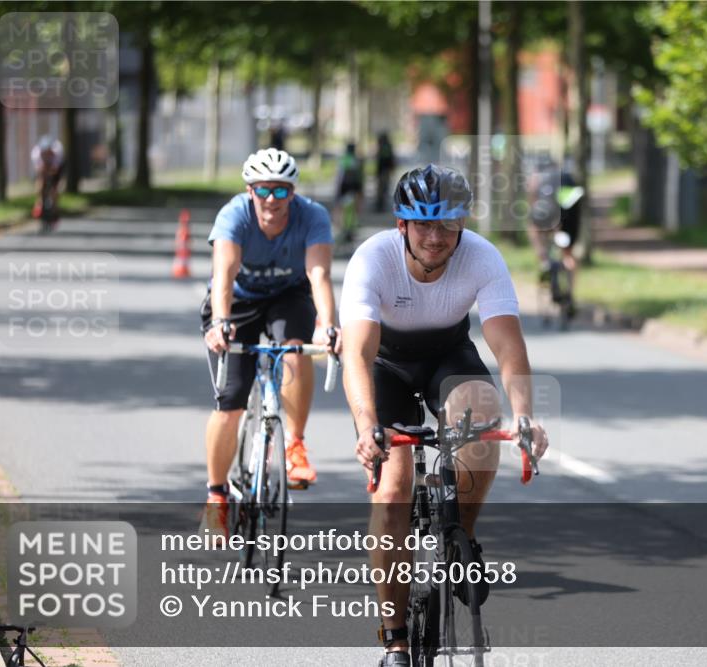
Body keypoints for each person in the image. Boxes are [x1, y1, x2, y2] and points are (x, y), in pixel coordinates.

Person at [339, 164, 549, 667]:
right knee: (392, 494)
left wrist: (524, 416)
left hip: (447, 356)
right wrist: (367, 425)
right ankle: (395, 638)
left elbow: (507, 345)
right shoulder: (373, 259)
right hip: (386, 364)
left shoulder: (482, 256)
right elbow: (357, 355)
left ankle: (463, 537)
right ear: (402, 225)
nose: (436, 238)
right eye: (424, 225)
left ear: (462, 225)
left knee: (482, 416)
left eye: (447, 226)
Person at [200, 147, 340, 537]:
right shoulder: (234, 216)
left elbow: (319, 275)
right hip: (238, 300)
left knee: (295, 350)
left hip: (288, 296)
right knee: (230, 401)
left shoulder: (313, 216)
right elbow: (224, 275)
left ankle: (294, 445)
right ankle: (216, 496)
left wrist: (329, 326)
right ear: (250, 191)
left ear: (293, 193)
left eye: (281, 191)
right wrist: (221, 323)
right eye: (263, 190)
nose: (272, 200)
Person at [526, 157, 584, 310]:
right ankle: (570, 293)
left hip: (546, 217)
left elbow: (532, 198)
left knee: (533, 228)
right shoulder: (567, 176)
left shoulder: (537, 177)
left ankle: (544, 260)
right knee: (568, 255)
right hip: (568, 218)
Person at [334, 141, 364, 242]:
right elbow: (359, 176)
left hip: (343, 188)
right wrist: (360, 190)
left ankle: (343, 229)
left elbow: (338, 176)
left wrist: (337, 190)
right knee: (351, 210)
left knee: (343, 209)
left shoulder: (342, 160)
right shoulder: (357, 160)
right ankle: (350, 229)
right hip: (353, 188)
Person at [31, 135, 64, 222]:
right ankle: (39, 203)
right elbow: (38, 169)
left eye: (48, 152)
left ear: (51, 150)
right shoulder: (36, 154)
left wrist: (51, 173)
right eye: (44, 152)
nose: (46, 154)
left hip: (55, 168)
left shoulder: (58, 151)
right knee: (40, 182)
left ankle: (55, 207)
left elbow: (55, 169)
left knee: (55, 187)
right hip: (43, 167)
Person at [374, 132, 396, 213]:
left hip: (383, 171)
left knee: (381, 189)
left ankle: (380, 205)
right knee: (384, 188)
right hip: (385, 171)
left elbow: (382, 160)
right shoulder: (387, 147)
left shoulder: (384, 147)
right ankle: (381, 205)